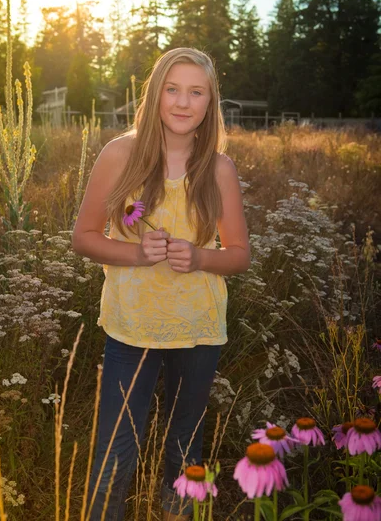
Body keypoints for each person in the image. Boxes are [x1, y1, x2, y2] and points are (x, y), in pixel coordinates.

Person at [72, 47, 250, 520]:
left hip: (197, 330)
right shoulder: (121, 154)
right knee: (115, 453)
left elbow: (239, 255)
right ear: (155, 94)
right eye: (172, 89)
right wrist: (134, 252)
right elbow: (83, 237)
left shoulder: (219, 168)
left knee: (185, 453)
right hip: (130, 329)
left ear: (210, 103)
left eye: (196, 92)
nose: (182, 102)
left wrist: (198, 257)